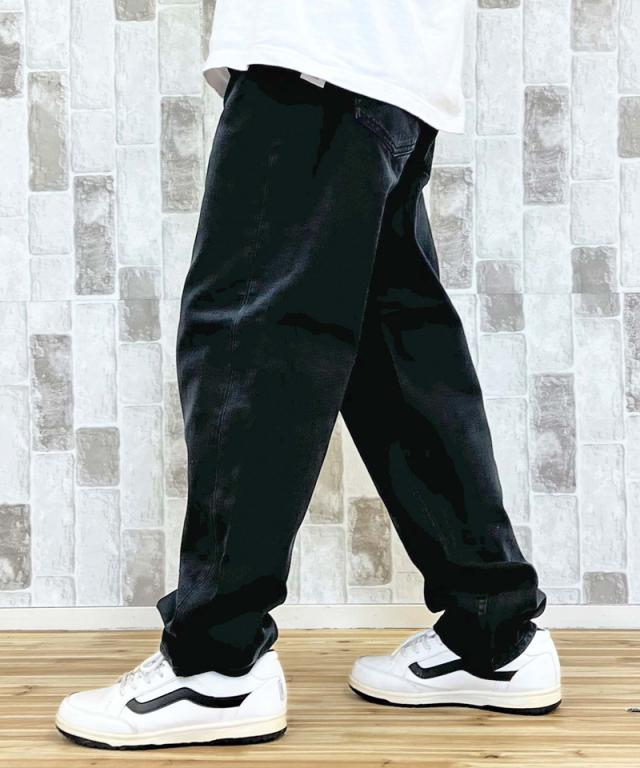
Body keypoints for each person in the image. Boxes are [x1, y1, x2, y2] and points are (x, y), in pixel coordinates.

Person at [55, 0, 561, 750]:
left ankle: (216, 664)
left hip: (320, 52)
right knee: (398, 358)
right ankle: (494, 631)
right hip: (389, 67)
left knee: (249, 336)